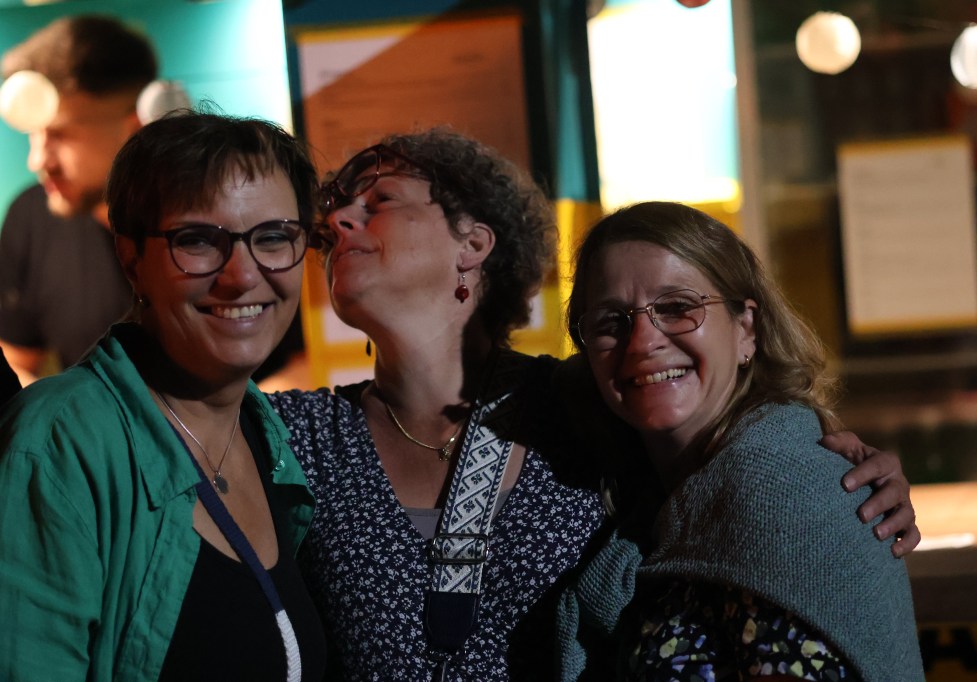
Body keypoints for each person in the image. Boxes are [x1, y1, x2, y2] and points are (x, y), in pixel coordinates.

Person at [268, 130, 920, 680]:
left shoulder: (576, 405)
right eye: (337, 214)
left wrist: (825, 459)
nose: (340, 222)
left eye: (379, 201)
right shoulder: (294, 435)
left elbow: (735, 438)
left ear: (474, 244)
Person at [0, 111, 326, 680]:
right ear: (131, 257)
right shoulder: (58, 443)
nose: (242, 276)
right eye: (197, 241)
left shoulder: (272, 436)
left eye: (273, 237)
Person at [558, 201, 924, 680]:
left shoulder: (784, 498)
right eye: (611, 322)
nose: (643, 342)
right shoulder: (645, 499)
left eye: (677, 308)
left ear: (746, 329)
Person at [0, 15, 154, 385]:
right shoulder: (30, 216)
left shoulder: (209, 218)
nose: (38, 160)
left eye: (60, 134)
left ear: (133, 126)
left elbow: (289, 364)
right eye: (35, 134)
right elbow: (15, 361)